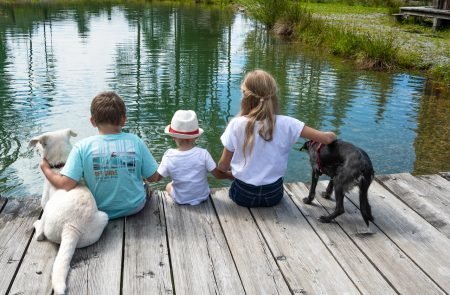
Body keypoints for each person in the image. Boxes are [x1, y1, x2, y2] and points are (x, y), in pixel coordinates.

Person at [217, 69, 337, 207]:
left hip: (243, 194)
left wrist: (229, 173)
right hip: (273, 195)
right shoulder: (288, 123)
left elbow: (222, 165)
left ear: (246, 96)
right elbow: (327, 139)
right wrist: (332, 134)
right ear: (273, 96)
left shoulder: (236, 124)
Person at [39, 91, 159, 219]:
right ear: (123, 119)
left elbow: (65, 184)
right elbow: (153, 177)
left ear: (92, 121)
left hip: (98, 210)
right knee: (145, 182)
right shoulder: (136, 141)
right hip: (134, 207)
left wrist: (46, 169)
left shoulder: (82, 147)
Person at [151, 110, 233, 205]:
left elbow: (157, 177)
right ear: (196, 137)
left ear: (173, 137)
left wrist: (144, 177)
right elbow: (217, 175)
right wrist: (230, 175)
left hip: (180, 199)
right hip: (203, 196)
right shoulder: (203, 154)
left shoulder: (169, 156)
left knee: (168, 186)